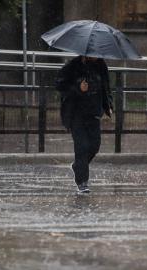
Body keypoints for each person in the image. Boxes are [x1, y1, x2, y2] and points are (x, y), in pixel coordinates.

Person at [56, 56, 113, 194]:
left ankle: (78, 166)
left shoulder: (100, 65)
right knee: (82, 146)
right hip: (76, 114)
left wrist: (108, 104)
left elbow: (106, 86)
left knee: (94, 146)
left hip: (94, 113)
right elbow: (59, 85)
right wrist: (78, 87)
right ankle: (82, 182)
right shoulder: (73, 65)